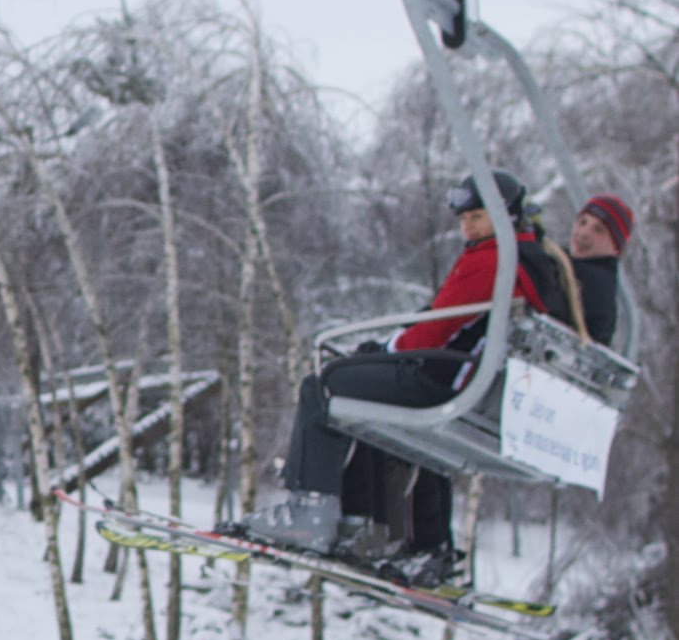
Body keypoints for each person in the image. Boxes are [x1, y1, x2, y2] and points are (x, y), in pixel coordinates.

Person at [235, 172, 580, 587]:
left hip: (442, 382)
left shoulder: (493, 260)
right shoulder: (530, 261)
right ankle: (364, 525)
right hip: (474, 386)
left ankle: (311, 511)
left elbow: (437, 328)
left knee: (323, 386)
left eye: (477, 217)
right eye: (463, 219)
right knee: (364, 395)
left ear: (504, 216)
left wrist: (387, 349)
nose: (468, 228)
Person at [569, 192, 634, 350]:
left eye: (598, 230)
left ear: (615, 247)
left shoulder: (597, 282)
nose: (584, 233)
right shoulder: (570, 265)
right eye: (582, 222)